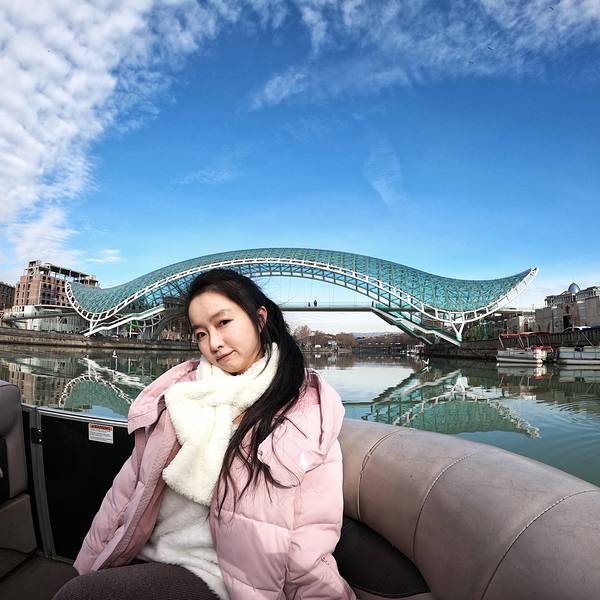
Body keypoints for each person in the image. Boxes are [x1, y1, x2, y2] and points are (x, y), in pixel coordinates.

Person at [54, 268, 355, 600]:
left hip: (217, 575)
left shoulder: (304, 414)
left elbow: (307, 542)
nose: (214, 344)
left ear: (260, 318)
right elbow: (123, 495)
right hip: (145, 550)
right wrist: (87, 566)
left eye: (223, 322)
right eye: (201, 333)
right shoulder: (179, 395)